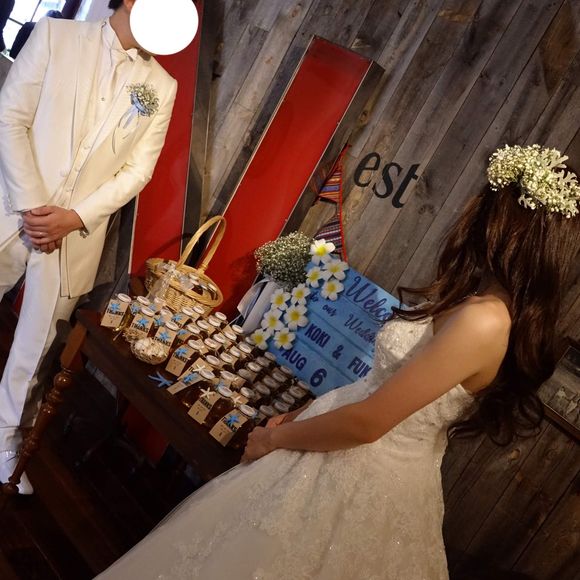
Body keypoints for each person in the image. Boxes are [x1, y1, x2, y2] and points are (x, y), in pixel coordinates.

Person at [96, 144, 579, 579]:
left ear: (508, 225)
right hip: (333, 440)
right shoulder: (476, 301)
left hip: (364, 476)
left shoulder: (486, 320)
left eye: (487, 204)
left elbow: (370, 422)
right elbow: (374, 389)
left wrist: (271, 439)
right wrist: (301, 415)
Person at [0, 0, 177, 494]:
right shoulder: (55, 35)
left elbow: (137, 171)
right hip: (12, 206)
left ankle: (6, 436)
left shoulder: (163, 87)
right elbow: (10, 117)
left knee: (38, 344)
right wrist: (35, 205)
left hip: (75, 234)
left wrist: (75, 217)